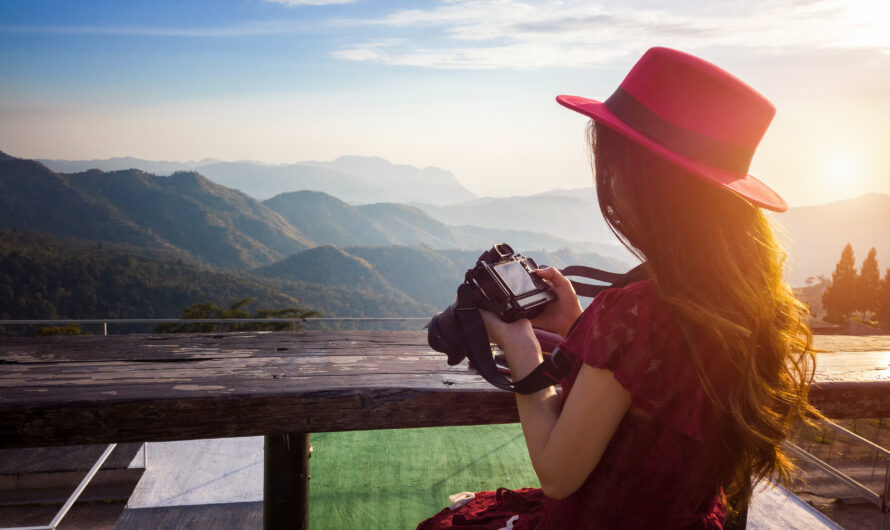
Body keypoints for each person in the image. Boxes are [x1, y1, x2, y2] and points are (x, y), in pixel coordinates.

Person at [417, 47, 818, 529]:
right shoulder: (741, 302)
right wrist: (578, 328)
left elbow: (558, 475)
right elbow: (654, 396)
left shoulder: (639, 309)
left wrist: (518, 343)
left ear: (642, 179)